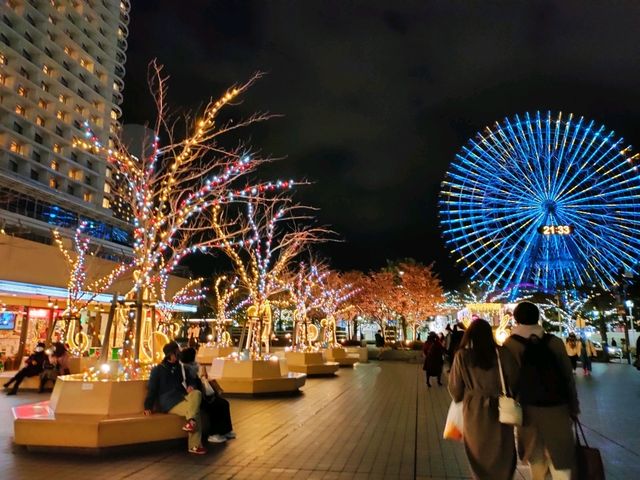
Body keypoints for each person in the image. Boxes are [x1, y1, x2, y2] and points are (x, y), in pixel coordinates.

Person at [504, 301, 579, 480]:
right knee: (562, 461)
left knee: (536, 461)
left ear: (516, 318)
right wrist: (573, 407)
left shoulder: (510, 345)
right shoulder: (555, 342)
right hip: (558, 409)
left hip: (528, 411)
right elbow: (568, 378)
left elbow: (510, 381)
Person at [449, 318, 518, 480]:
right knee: (503, 449)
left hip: (474, 411)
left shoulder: (462, 356)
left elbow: (455, 391)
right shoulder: (503, 354)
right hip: (501, 409)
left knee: (477, 452)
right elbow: (515, 382)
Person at [144, 341, 206, 455]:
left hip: (183, 397)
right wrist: (148, 405)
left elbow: (192, 380)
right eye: (176, 353)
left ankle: (191, 423)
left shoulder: (182, 368)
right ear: (170, 354)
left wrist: (191, 386)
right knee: (194, 411)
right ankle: (194, 445)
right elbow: (152, 389)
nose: (178, 355)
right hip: (169, 402)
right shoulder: (158, 370)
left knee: (197, 393)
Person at [180, 347, 235, 444]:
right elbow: (191, 386)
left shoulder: (192, 368)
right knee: (215, 406)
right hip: (196, 398)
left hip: (201, 395)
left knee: (223, 403)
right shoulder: (185, 370)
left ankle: (226, 430)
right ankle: (214, 433)